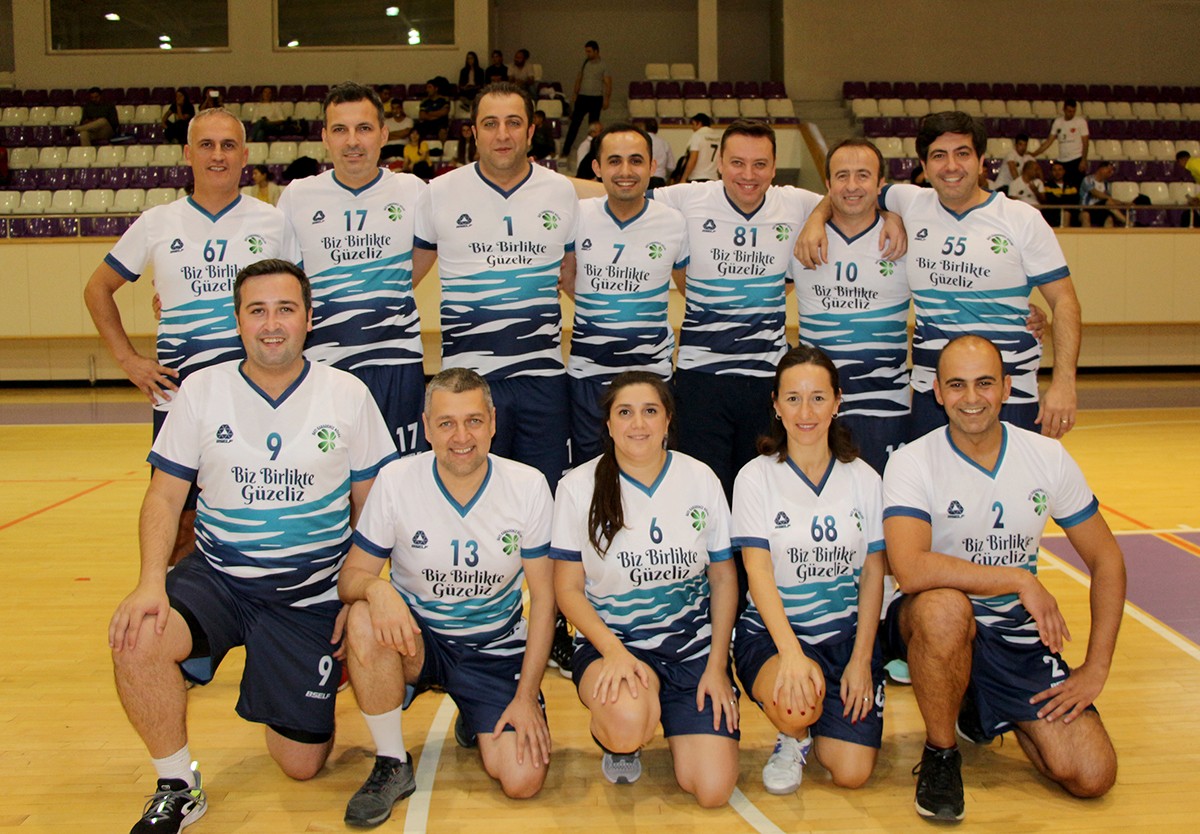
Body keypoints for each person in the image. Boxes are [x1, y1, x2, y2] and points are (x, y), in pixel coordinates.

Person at [109, 259, 399, 834]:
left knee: (300, 764)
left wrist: (359, 588)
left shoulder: (347, 394)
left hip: (308, 594)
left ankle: (292, 676)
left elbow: (373, 508)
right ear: (238, 320)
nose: (271, 324)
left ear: (309, 319)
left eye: (285, 309)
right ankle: (177, 786)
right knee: (138, 633)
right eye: (257, 310)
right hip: (218, 578)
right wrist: (148, 583)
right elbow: (164, 497)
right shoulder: (202, 390)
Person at [882, 334, 1124, 821]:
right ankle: (941, 754)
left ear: (1007, 388)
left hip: (1015, 636)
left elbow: (1107, 561)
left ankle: (977, 701)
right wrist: (1018, 579)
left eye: (984, 383)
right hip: (932, 623)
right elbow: (910, 568)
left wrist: (1096, 668)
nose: (971, 398)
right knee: (945, 609)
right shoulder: (913, 461)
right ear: (937, 392)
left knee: (1091, 773)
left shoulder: (1046, 457)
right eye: (957, 385)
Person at [339, 368, 555, 826]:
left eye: (474, 421)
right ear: (426, 427)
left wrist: (526, 695)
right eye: (446, 423)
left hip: (495, 650)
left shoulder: (528, 485)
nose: (461, 437)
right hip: (419, 643)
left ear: (493, 422)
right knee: (362, 617)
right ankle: (391, 762)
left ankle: (477, 711)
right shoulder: (396, 480)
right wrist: (377, 588)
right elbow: (351, 576)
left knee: (523, 779)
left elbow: (544, 599)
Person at [651, 120, 904, 499]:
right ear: (719, 163)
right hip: (700, 378)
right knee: (704, 493)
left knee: (759, 492)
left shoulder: (795, 204)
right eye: (737, 163)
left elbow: (841, 197)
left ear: (774, 168)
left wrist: (826, 217)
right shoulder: (687, 198)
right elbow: (626, 196)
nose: (748, 175)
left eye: (760, 165)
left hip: (766, 380)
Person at [84, 107, 292, 562]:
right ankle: (172, 604)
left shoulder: (274, 222)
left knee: (258, 515)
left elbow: (296, 303)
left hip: (257, 397)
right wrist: (128, 360)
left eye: (228, 145)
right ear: (187, 153)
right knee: (179, 524)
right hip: (179, 399)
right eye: (207, 145)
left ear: (245, 155)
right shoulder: (157, 222)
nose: (218, 155)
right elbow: (97, 288)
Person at [798, 110, 1082, 442]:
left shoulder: (1022, 219)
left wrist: (1064, 382)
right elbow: (850, 194)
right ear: (924, 164)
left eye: (962, 154)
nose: (951, 166)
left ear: (981, 160)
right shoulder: (910, 203)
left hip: (1010, 395)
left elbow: (1065, 301)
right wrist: (816, 219)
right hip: (932, 396)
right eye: (938, 156)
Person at [551, 372, 739, 805]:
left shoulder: (700, 478)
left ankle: (673, 712)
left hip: (690, 650)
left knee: (712, 790)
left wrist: (716, 665)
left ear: (668, 419)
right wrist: (615, 653)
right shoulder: (577, 487)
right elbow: (568, 589)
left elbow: (724, 577)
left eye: (650, 411)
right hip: (612, 645)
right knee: (627, 721)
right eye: (625, 412)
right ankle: (625, 735)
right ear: (609, 424)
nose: (638, 423)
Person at [732, 346, 886, 795]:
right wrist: (792, 655)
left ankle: (824, 713)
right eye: (793, 398)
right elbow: (758, 573)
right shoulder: (755, 477)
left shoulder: (864, 478)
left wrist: (861, 660)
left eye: (818, 398)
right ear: (776, 405)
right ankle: (793, 736)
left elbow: (873, 574)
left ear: (837, 402)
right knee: (796, 705)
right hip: (774, 635)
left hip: (843, 639)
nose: (806, 412)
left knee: (851, 772)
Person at [414, 81, 577, 491]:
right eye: (490, 123)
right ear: (473, 131)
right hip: (468, 383)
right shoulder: (439, 193)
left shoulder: (560, 191)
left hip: (543, 379)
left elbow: (573, 272)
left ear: (531, 130)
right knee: (473, 495)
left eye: (513, 122)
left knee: (546, 495)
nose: (502, 134)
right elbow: (405, 277)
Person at [277, 82, 432, 456]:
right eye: (340, 129)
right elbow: (280, 282)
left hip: (397, 362)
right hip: (324, 366)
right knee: (329, 474)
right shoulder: (298, 197)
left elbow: (435, 250)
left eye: (363, 128)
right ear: (325, 137)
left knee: (398, 475)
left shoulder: (413, 191)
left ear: (383, 134)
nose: (352, 141)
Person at [566, 123, 688, 461]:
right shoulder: (577, 217)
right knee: (591, 473)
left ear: (652, 166)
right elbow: (569, 279)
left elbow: (688, 287)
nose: (625, 171)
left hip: (653, 376)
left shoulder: (674, 223)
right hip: (588, 374)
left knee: (649, 468)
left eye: (636, 161)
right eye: (614, 161)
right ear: (597, 167)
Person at [792, 139, 911, 476]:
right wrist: (817, 215)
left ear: (880, 184)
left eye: (863, 175)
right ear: (828, 184)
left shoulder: (905, 241)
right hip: (816, 411)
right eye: (842, 176)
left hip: (887, 407)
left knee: (884, 504)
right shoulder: (802, 239)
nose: (852, 185)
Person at [562, 40, 612, 159]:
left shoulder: (603, 65)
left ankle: (593, 152)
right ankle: (565, 150)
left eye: (589, 51)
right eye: (586, 51)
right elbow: (579, 78)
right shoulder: (584, 63)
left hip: (596, 98)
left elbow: (608, 83)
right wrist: (575, 93)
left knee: (593, 126)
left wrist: (607, 99)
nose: (587, 54)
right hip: (582, 97)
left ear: (596, 51)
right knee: (574, 124)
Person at [1032, 100, 1089, 192]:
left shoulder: (1080, 122)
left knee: (1077, 188)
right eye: (1069, 111)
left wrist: (1083, 159)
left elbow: (1085, 142)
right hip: (1062, 160)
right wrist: (1035, 153)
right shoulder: (1058, 122)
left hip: (1076, 159)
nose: (1071, 114)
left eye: (1073, 111)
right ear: (1064, 109)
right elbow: (1049, 141)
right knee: (1063, 188)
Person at [1080, 161, 1128, 227]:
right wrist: (1121, 203)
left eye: (1112, 171)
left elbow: (1109, 200)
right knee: (1085, 216)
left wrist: (1124, 203)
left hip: (1100, 210)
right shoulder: (1087, 179)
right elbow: (1096, 193)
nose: (1111, 173)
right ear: (1101, 169)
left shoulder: (1106, 184)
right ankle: (1127, 222)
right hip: (1087, 208)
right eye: (1109, 170)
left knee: (1109, 219)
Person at [679, 113, 721, 183]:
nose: (692, 127)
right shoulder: (718, 138)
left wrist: (684, 178)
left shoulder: (697, 135)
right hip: (713, 178)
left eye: (693, 124)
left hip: (697, 177)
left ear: (699, 123)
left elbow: (693, 158)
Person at [1041, 161, 1079, 227]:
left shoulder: (1071, 185)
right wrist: (1065, 198)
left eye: (1060, 169)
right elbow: (1051, 200)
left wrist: (1059, 198)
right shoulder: (1047, 186)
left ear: (1064, 171)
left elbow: (1074, 200)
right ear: (1051, 172)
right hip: (1053, 215)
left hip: (1071, 214)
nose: (1057, 172)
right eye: (1054, 170)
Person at [642, 117, 674, 189]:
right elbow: (671, 166)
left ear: (644, 128)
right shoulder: (664, 143)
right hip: (659, 179)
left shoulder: (640, 142)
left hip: (644, 179)